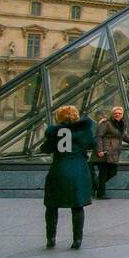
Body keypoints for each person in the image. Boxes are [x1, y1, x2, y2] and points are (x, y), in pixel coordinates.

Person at [39, 105, 96, 250]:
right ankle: (77, 240)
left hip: (58, 171)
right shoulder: (84, 132)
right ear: (76, 116)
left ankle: (50, 239)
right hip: (78, 172)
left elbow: (44, 149)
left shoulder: (55, 132)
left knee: (51, 206)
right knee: (77, 207)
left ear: (59, 117)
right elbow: (93, 145)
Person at [92, 106, 129, 199]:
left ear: (122, 115)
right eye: (115, 113)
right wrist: (100, 150)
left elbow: (123, 135)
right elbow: (99, 136)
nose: (117, 115)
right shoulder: (106, 123)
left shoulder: (121, 124)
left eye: (119, 113)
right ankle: (101, 193)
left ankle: (96, 186)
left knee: (113, 172)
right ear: (112, 114)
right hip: (105, 151)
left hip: (114, 152)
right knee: (103, 173)